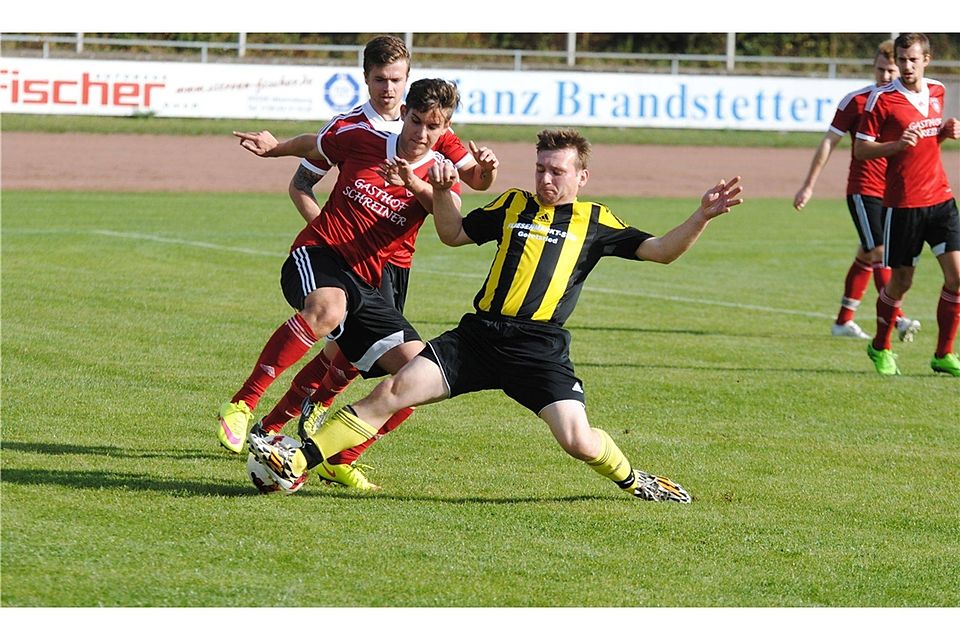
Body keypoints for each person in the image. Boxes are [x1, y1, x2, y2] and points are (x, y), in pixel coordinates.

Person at [249, 128, 744, 503]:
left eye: (558, 171)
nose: (546, 178)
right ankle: (298, 459)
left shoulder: (597, 222)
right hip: (479, 337)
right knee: (391, 392)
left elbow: (660, 251)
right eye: (541, 169)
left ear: (581, 176)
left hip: (538, 349)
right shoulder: (512, 205)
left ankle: (635, 480)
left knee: (578, 442)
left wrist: (699, 217)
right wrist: (442, 192)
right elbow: (453, 234)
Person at [217, 37, 499, 491]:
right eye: (382, 81)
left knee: (419, 375)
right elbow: (315, 147)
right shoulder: (360, 132)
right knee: (330, 320)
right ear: (395, 102)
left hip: (380, 271)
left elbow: (459, 209)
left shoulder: (440, 163)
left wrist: (471, 174)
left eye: (433, 127)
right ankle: (247, 407)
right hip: (324, 256)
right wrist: (276, 149)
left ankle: (333, 455)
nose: (422, 132)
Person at [794, 40, 920, 342]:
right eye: (881, 70)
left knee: (866, 254)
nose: (886, 76)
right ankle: (898, 318)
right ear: (873, 67)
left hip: (894, 191)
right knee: (879, 251)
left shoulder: (908, 101)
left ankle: (843, 321)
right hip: (864, 190)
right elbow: (829, 141)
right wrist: (808, 185)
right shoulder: (857, 101)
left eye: (891, 70)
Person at [854, 32, 960, 376]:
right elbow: (861, 149)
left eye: (913, 59)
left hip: (941, 199)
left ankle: (943, 354)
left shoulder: (937, 91)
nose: (907, 66)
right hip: (903, 205)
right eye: (902, 60)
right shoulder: (881, 100)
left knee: (957, 277)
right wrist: (896, 145)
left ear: (926, 60)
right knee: (901, 283)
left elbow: (928, 141)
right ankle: (879, 346)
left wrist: (944, 132)